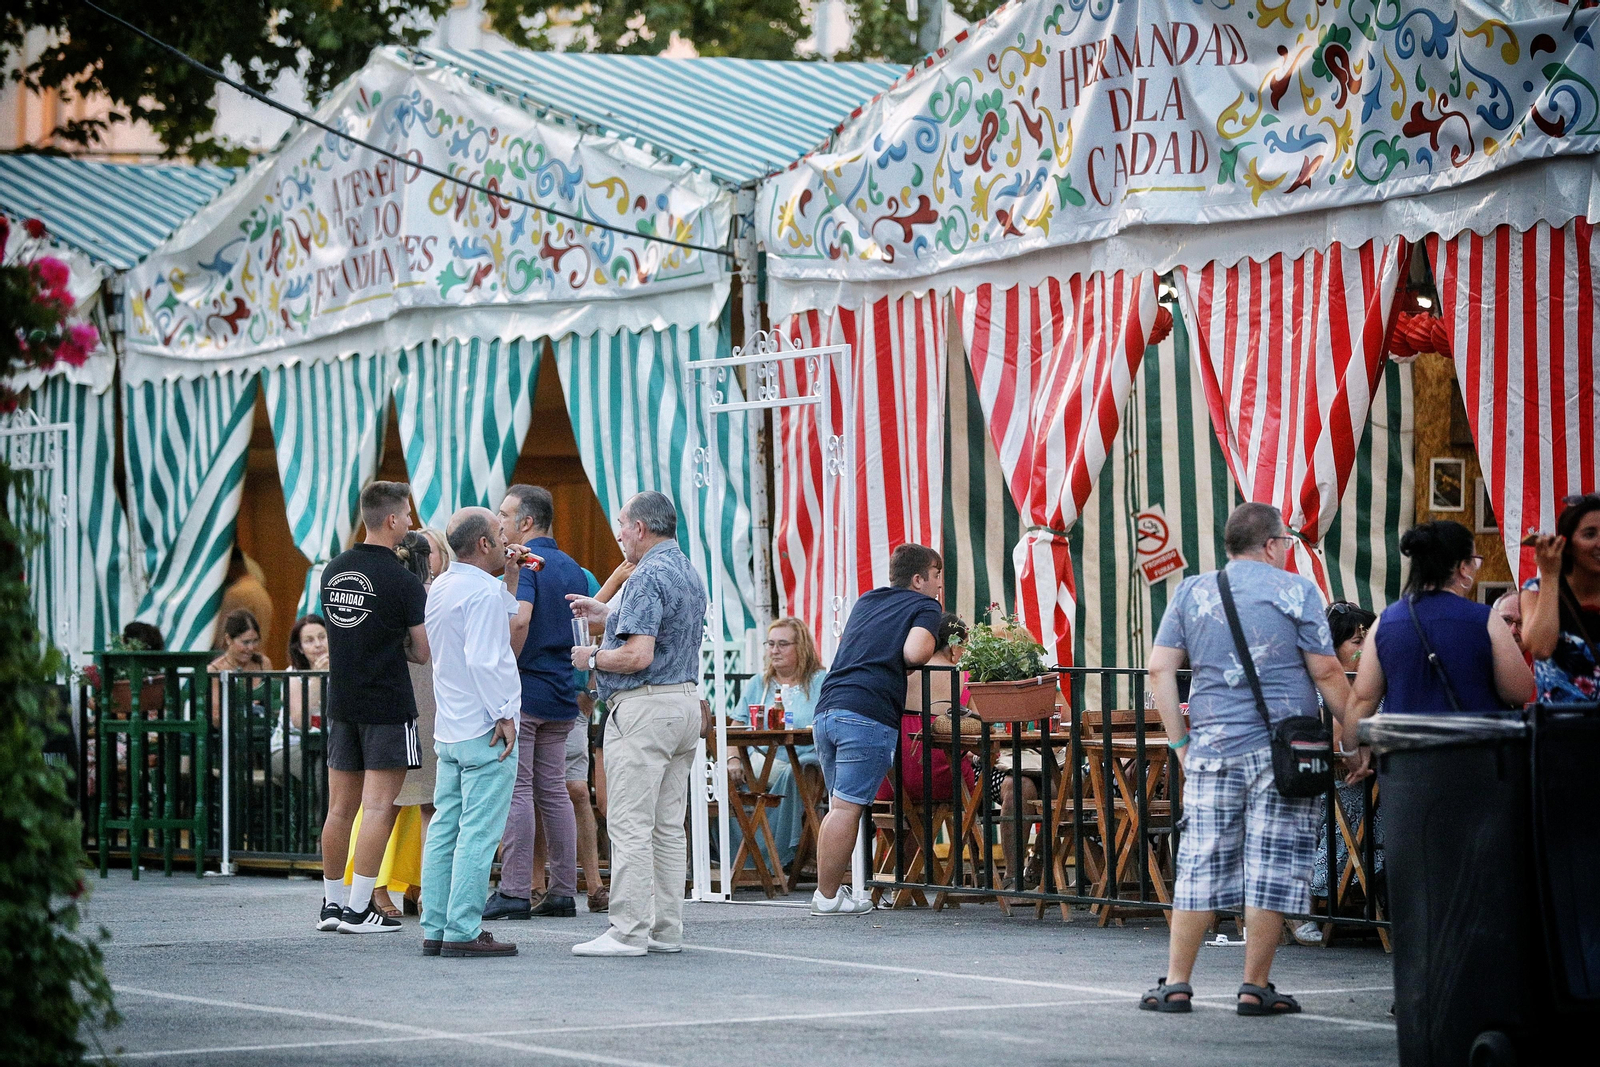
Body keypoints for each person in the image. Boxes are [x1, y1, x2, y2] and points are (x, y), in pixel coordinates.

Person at [1142, 503, 1352, 1016]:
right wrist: (1358, 734)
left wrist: (1181, 744)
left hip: (1212, 749)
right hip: (1284, 751)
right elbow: (1326, 672)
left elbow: (1159, 669)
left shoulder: (1193, 591)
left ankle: (1176, 983)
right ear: (1274, 544)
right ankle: (1255, 986)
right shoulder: (1297, 591)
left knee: (1199, 865)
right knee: (1272, 867)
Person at [566, 491, 706, 957]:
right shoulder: (686, 568)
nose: (620, 533)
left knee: (629, 823)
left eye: (622, 525)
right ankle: (666, 929)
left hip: (644, 708)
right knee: (668, 826)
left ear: (641, 529)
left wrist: (592, 656)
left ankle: (627, 930)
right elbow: (661, 633)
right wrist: (608, 615)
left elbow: (637, 655)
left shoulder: (646, 575)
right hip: (685, 703)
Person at [317, 481, 429, 935]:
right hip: (386, 701)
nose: (410, 523)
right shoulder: (403, 582)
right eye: (406, 515)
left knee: (340, 808)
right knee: (380, 806)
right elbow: (422, 652)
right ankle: (361, 908)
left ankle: (331, 904)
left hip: (342, 699)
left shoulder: (332, 570)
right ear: (391, 520)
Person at [419, 507, 529, 958]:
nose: (506, 541)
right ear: (484, 544)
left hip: (451, 728)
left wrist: (512, 578)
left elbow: (495, 611)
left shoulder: (444, 585)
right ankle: (463, 931)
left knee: (446, 829)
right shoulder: (480, 593)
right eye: (500, 535)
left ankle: (436, 926)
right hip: (485, 728)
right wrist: (506, 714)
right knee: (478, 834)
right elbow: (489, 658)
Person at [810, 543, 943, 916]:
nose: (938, 585)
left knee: (838, 806)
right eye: (936, 576)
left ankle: (833, 893)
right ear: (919, 579)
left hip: (828, 709)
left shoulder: (868, 600)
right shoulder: (925, 607)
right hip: (868, 712)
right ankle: (826, 897)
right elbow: (914, 653)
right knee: (845, 808)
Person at [484, 485, 591, 921]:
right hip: (562, 690)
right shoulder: (573, 567)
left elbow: (521, 617)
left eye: (506, 515)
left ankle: (514, 889)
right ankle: (564, 889)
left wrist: (501, 665)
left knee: (519, 790)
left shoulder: (528, 561)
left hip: (525, 689)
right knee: (554, 791)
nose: (501, 522)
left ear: (526, 522)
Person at [1342, 522, 1533, 744]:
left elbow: (1363, 698)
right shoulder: (1487, 620)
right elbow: (1519, 691)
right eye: (1474, 562)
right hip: (1476, 760)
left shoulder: (1383, 624)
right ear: (1463, 568)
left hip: (1404, 765)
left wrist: (1350, 750)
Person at [1297, 600, 1377, 946]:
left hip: (1374, 776)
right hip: (1328, 778)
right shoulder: (1324, 686)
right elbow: (1331, 737)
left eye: (1369, 640)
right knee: (1353, 802)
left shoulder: (1374, 684)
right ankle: (1308, 901)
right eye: (1358, 642)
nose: (1365, 648)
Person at [726, 617, 828, 875]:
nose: (774, 650)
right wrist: (732, 760)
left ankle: (778, 858)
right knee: (720, 780)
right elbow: (734, 731)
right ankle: (741, 860)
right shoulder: (758, 684)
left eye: (783, 644)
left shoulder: (819, 682)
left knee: (794, 772)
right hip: (757, 762)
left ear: (801, 647)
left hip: (805, 762)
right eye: (770, 644)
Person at [1521, 494, 1600, 702]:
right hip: (1561, 727)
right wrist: (1549, 575)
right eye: (1590, 534)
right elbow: (1540, 648)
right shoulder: (1535, 589)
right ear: (1568, 544)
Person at [213, 545, 275, 655]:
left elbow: (221, 639)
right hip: (258, 659)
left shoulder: (235, 594)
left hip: (237, 663)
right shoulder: (260, 590)